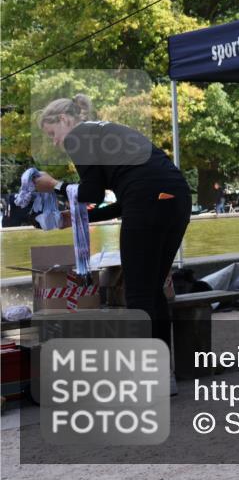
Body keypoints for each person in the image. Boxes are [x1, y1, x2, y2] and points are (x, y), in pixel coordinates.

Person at [34, 94, 190, 389]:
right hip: (177, 198)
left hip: (148, 202)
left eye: (53, 134)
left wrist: (53, 185)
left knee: (140, 294)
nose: (55, 142)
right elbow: (129, 197)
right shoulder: (105, 130)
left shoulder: (77, 137)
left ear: (64, 120)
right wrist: (79, 219)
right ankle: (163, 375)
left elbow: (92, 193)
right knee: (152, 290)